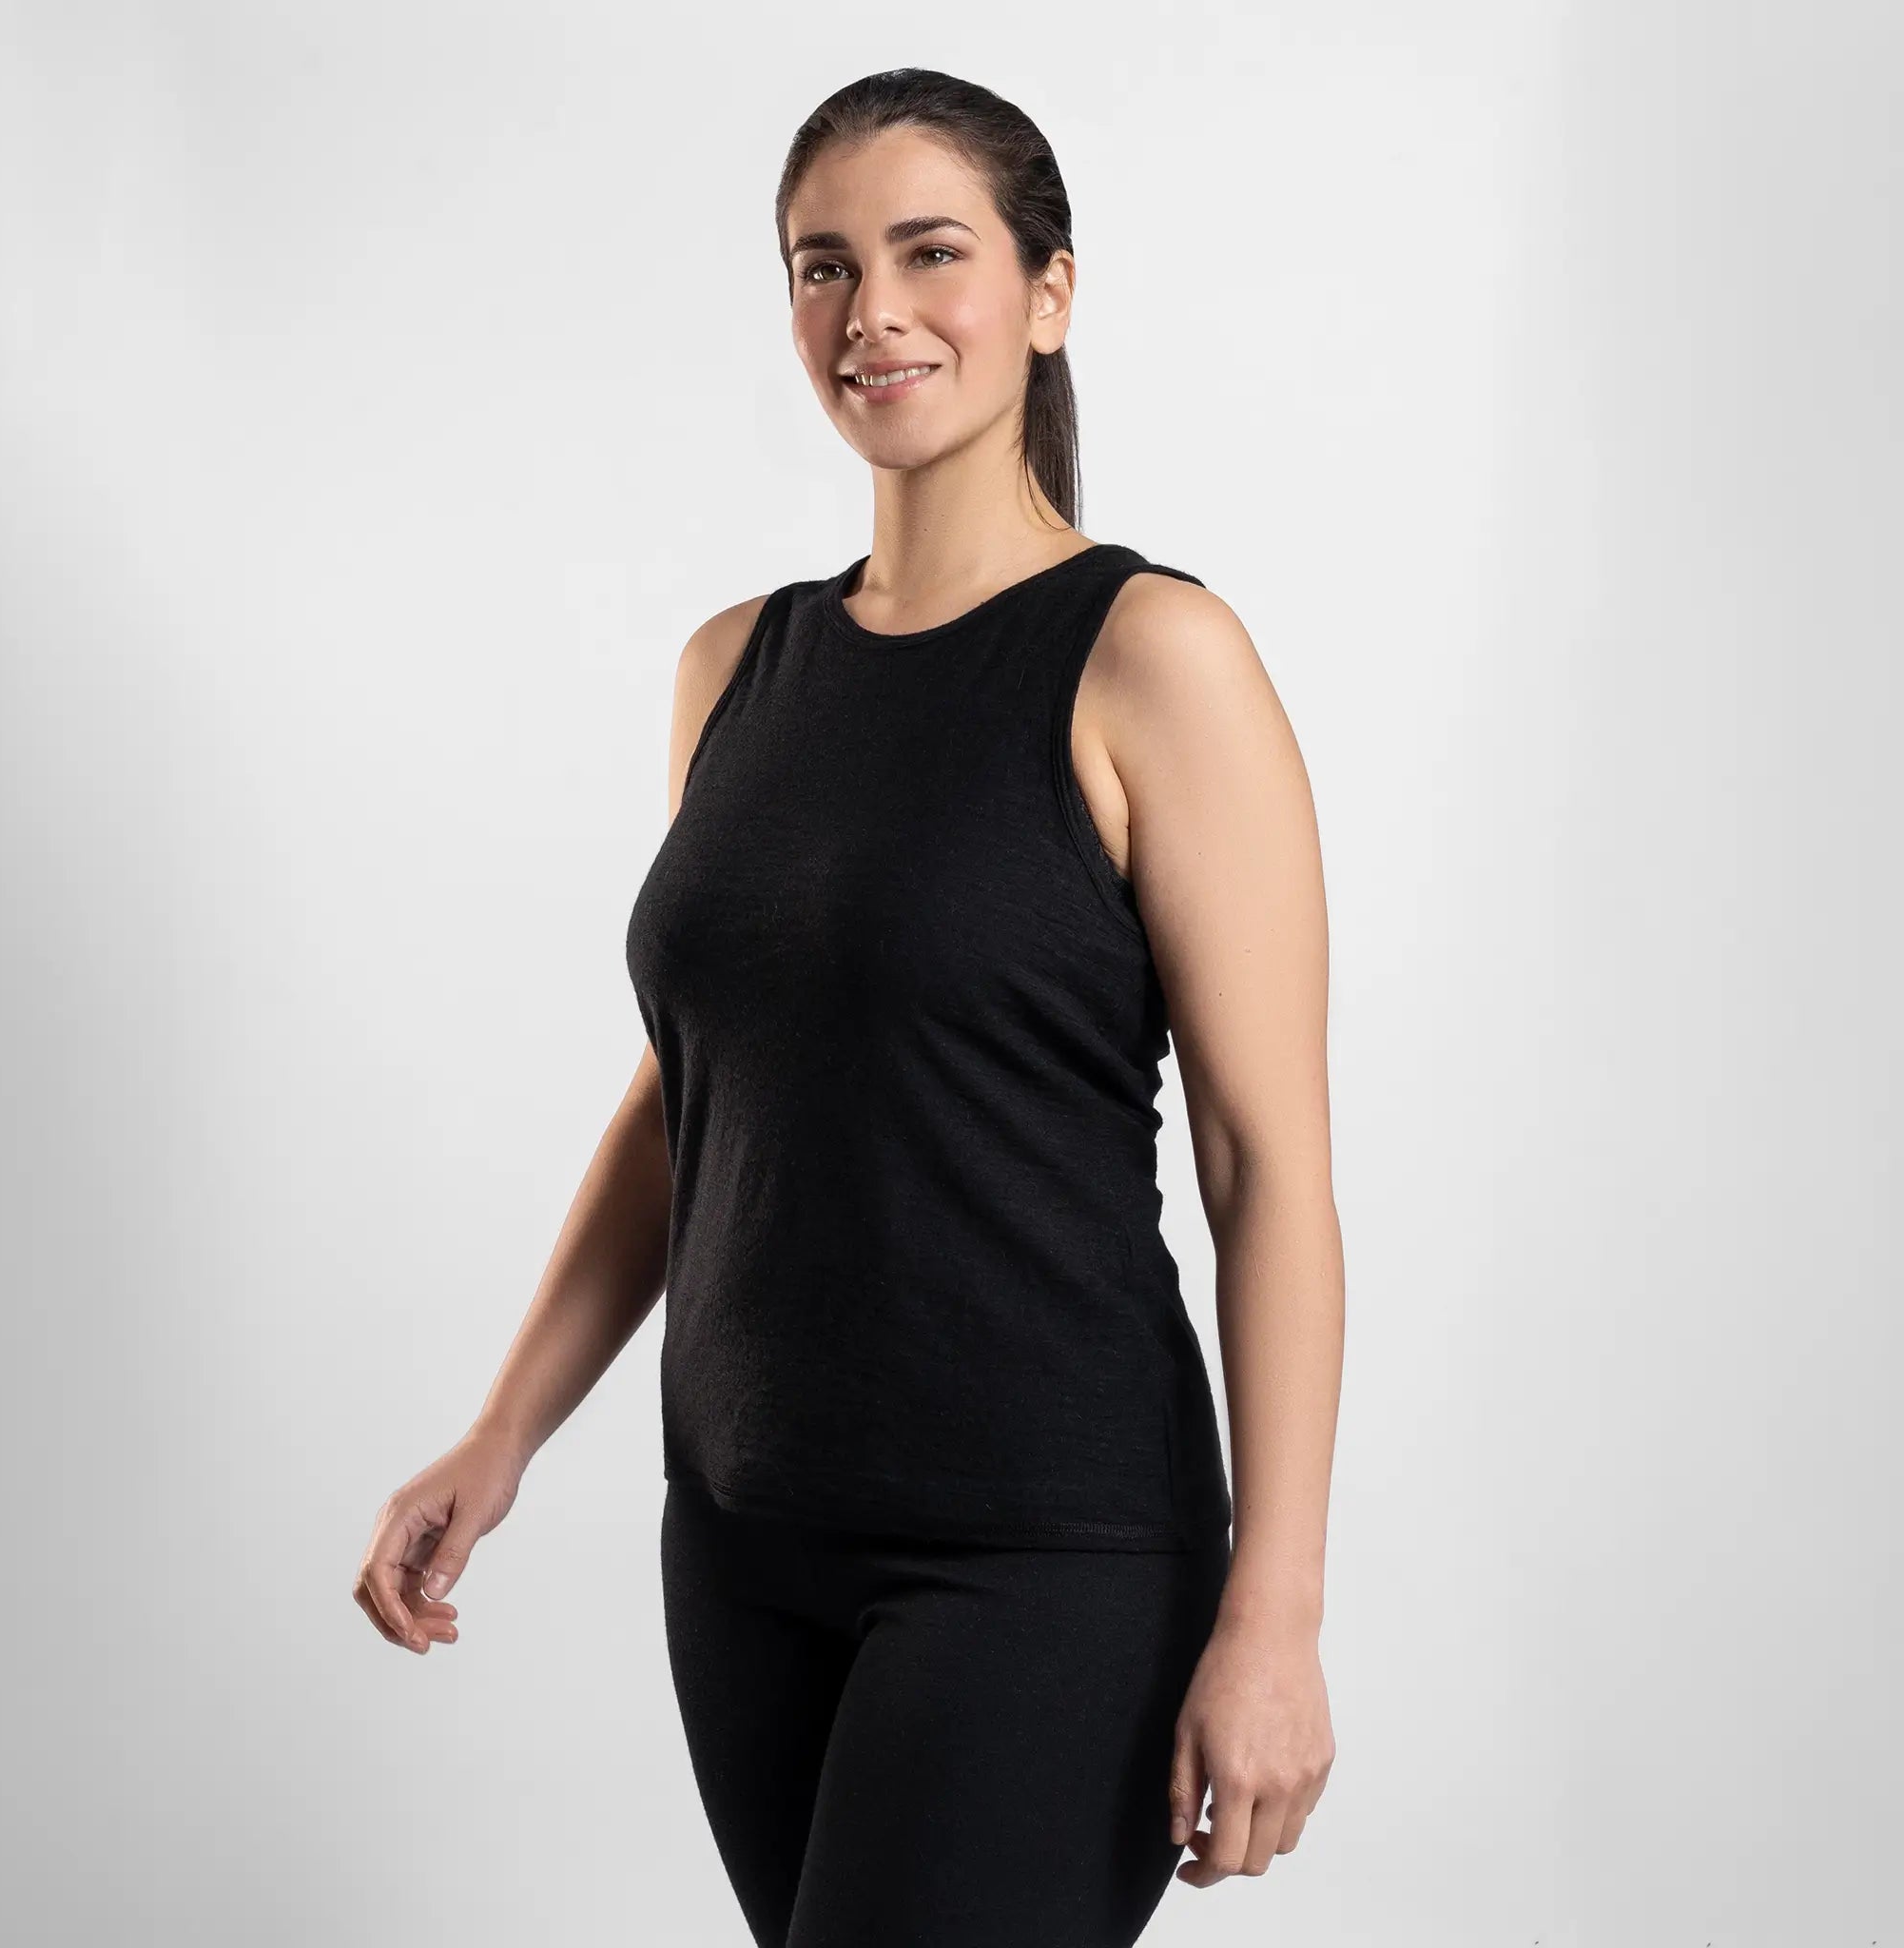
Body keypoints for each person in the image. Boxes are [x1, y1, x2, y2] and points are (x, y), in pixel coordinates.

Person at [355, 67, 1342, 1948]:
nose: (871, 309)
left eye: (930, 252)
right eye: (824, 265)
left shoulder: (1153, 659)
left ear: (1048, 291)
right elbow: (694, 1096)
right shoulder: (735, 668)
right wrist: (503, 1434)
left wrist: (1275, 1612)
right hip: (744, 1548)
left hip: (1046, 1558)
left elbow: (1265, 1168)